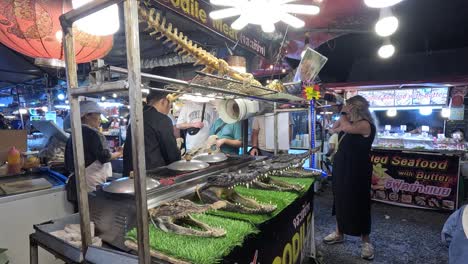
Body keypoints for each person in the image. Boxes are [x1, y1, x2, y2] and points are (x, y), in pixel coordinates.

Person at [323, 95, 377, 260]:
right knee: (340, 198)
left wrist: (343, 114)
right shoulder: (349, 122)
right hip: (342, 165)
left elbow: (343, 127)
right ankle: (339, 232)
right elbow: (334, 128)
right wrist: (340, 119)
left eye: (347, 105)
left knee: (359, 201)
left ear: (355, 107)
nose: (344, 108)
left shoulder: (365, 125)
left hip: (358, 168)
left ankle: (366, 241)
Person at [64, 101, 123, 210]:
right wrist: (119, 153)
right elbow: (104, 157)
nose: (100, 119)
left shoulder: (75, 132)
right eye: (98, 115)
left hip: (78, 181)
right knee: (94, 213)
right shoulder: (91, 133)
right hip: (90, 181)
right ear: (86, 115)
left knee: (82, 213)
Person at [123, 90, 181, 176]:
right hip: (153, 177)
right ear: (163, 102)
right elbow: (171, 154)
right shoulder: (162, 119)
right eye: (170, 105)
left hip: (131, 176)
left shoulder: (135, 118)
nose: (169, 109)